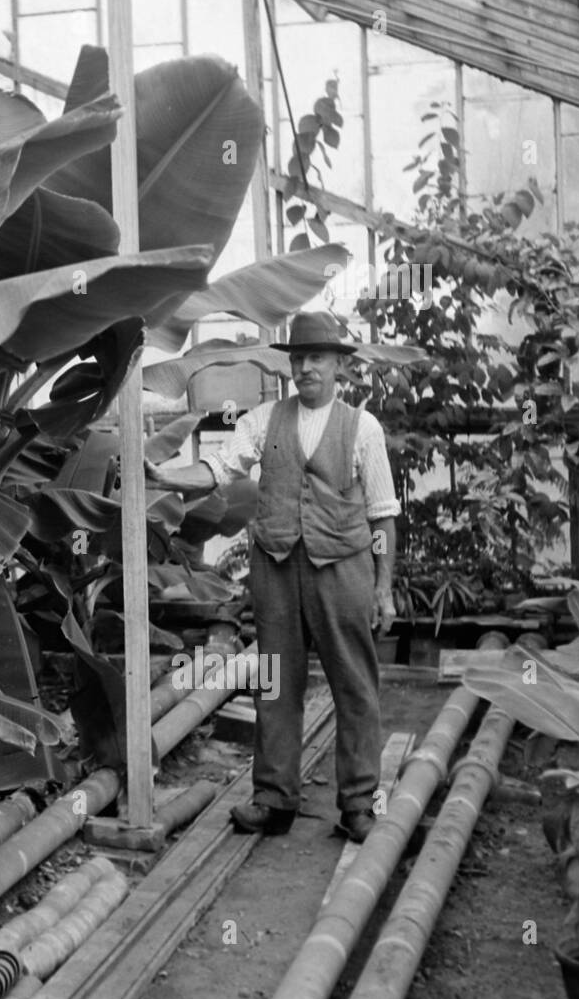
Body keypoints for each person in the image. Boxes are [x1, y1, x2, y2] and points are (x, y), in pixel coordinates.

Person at [145, 311, 399, 843]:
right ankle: (274, 799)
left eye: (317, 359)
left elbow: (382, 513)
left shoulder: (363, 427)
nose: (306, 368)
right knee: (276, 683)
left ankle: (358, 804)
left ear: (337, 366)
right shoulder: (262, 420)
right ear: (290, 365)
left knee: (355, 685)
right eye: (299, 358)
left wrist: (381, 587)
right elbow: (218, 470)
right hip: (278, 568)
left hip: (342, 568)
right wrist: (164, 475)